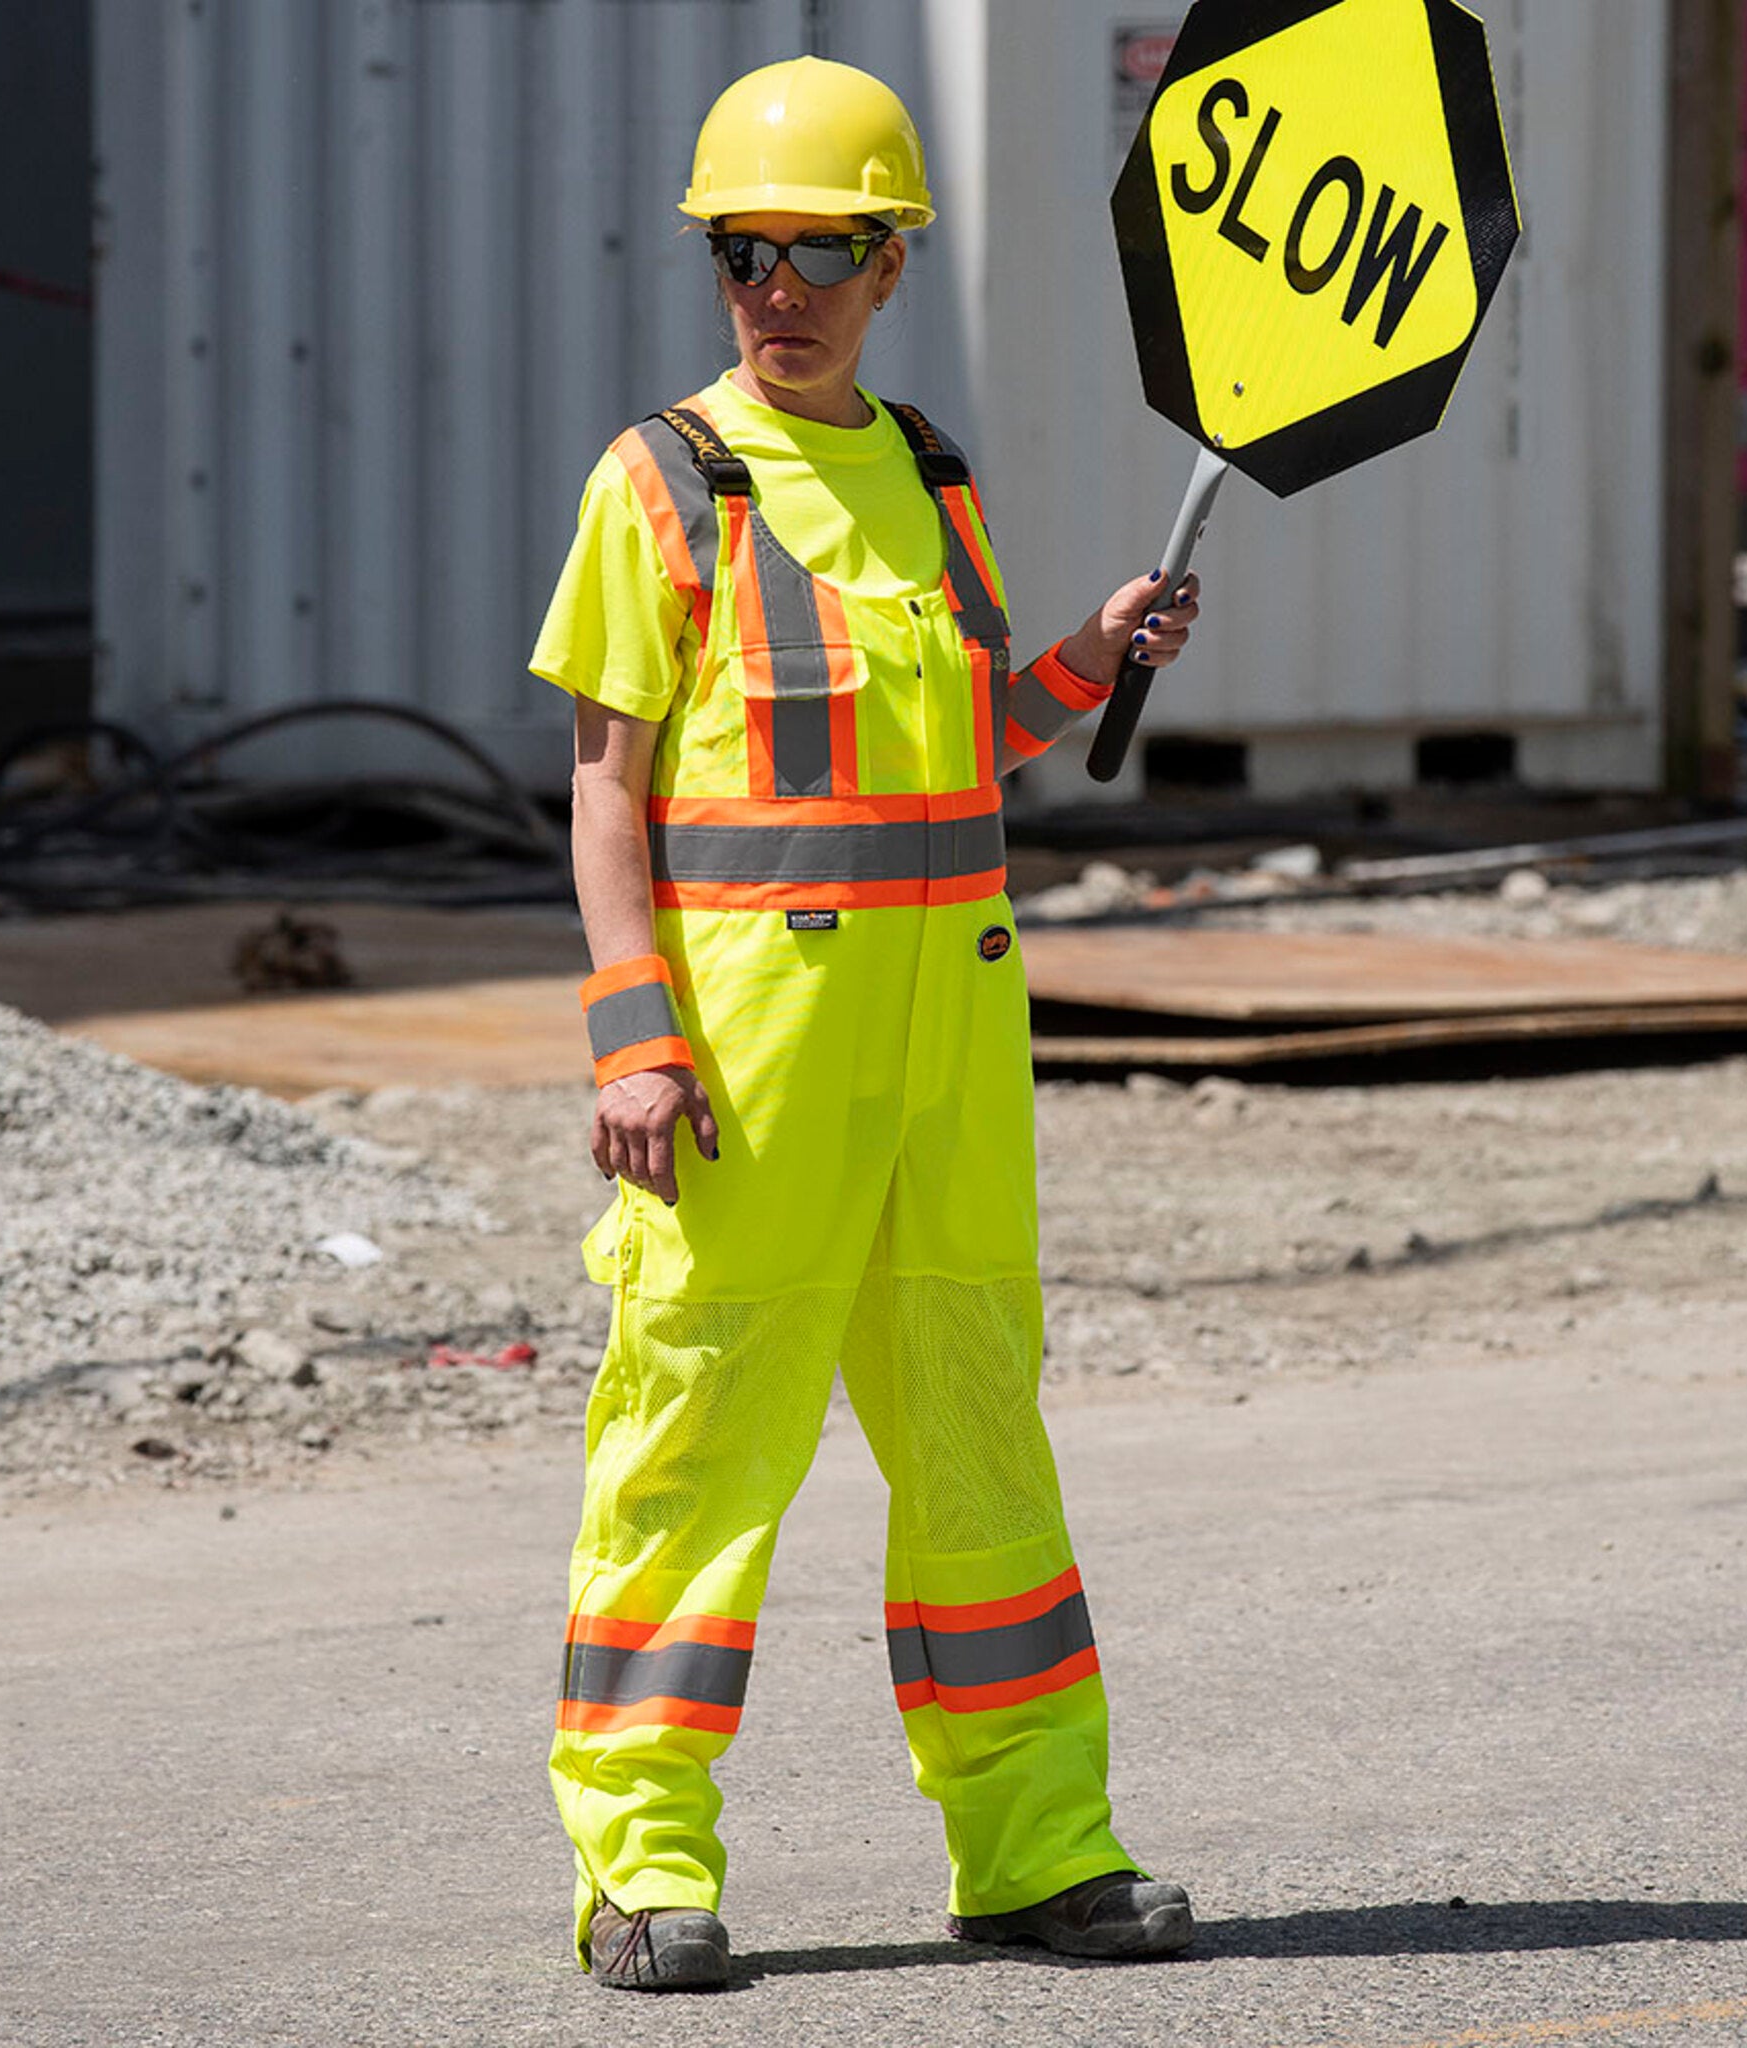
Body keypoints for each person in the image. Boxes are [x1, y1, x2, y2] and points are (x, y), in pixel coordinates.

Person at [529, 54, 1201, 1992]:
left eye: (822, 246)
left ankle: (1038, 1847)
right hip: (748, 1078)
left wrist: (1090, 650)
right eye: (746, 249)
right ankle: (637, 1867)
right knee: (694, 1456)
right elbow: (602, 789)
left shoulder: (932, 474)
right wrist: (629, 1034)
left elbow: (969, 742)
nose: (779, 286)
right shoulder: (660, 483)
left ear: (893, 260)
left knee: (987, 1455)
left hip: (948, 1078)